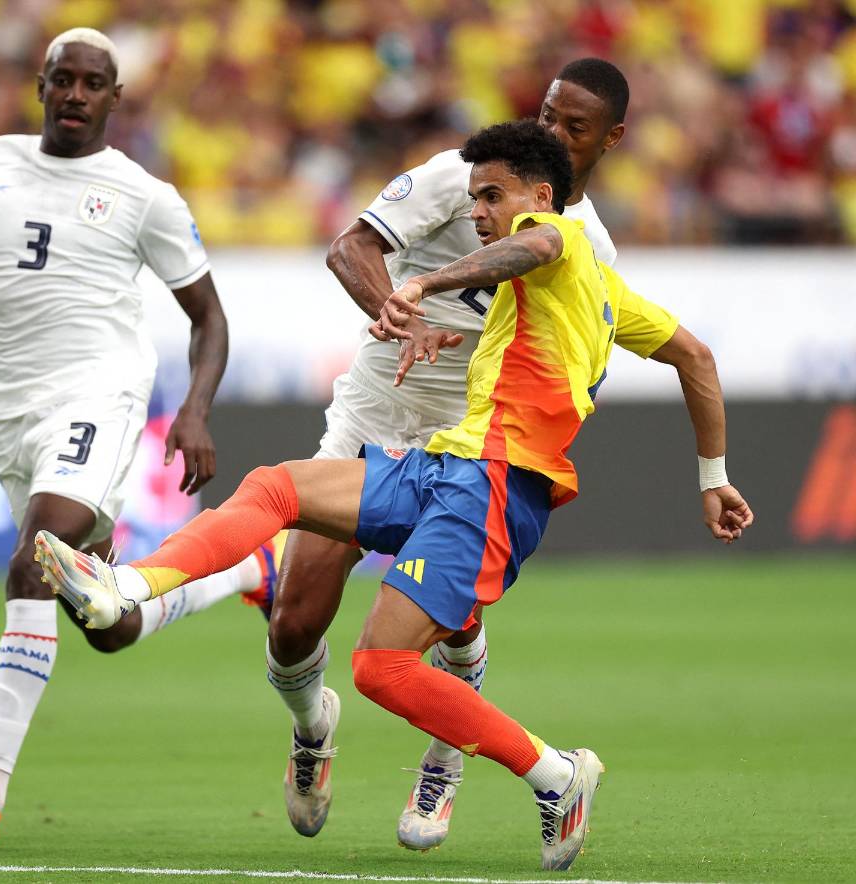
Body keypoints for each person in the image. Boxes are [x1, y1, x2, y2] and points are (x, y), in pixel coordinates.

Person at [34, 119, 754, 873]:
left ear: (543, 196)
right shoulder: (608, 290)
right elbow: (696, 358)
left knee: (381, 666)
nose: (476, 211)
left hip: (495, 488)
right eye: (474, 196)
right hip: (450, 464)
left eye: (491, 196)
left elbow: (534, 245)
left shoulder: (558, 237)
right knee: (275, 486)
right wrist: (715, 477)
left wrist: (428, 281)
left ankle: (555, 773)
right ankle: (126, 588)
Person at [0, 28, 276, 847]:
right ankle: (244, 569)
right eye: (61, 79)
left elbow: (208, 317)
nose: (75, 94)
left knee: (36, 558)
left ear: (115, 97)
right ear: (41, 86)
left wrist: (197, 409)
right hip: (11, 417)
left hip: (98, 397)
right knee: (107, 622)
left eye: (91, 83)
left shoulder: (145, 195)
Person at [265, 57, 626, 848]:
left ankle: (445, 764)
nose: (552, 133)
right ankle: (311, 727)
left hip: (471, 435)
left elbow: (580, 369)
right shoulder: (459, 175)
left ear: (610, 140)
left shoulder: (589, 247)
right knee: (293, 624)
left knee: (441, 621)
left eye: (574, 127)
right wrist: (395, 311)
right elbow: (349, 249)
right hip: (379, 402)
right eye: (548, 113)